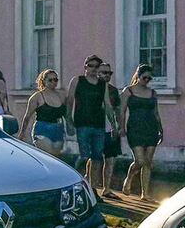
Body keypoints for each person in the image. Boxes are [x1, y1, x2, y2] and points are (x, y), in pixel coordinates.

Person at [121, 64, 163, 201]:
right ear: (138, 76)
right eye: (145, 77)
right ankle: (129, 178)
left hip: (151, 128)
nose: (147, 80)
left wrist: (161, 129)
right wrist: (121, 127)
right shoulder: (128, 91)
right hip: (135, 128)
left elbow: (156, 113)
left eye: (149, 78)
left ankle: (145, 194)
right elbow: (122, 111)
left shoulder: (152, 93)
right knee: (139, 160)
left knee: (148, 162)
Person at [67, 54, 107, 190]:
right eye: (91, 66)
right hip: (82, 123)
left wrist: (114, 124)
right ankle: (74, 178)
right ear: (85, 66)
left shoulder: (102, 84)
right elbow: (70, 101)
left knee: (97, 157)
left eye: (96, 66)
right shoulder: (78, 81)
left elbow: (107, 104)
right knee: (84, 156)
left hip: (99, 124)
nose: (93, 69)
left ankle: (93, 187)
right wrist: (69, 120)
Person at [19, 69, 66, 157]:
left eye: (55, 80)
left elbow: (66, 114)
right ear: (44, 81)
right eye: (50, 80)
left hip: (57, 128)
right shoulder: (37, 97)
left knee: (57, 157)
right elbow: (27, 116)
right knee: (49, 155)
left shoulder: (61, 96)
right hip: (42, 129)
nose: (53, 82)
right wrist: (22, 134)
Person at [98, 63, 122, 198]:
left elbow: (117, 109)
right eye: (103, 72)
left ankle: (106, 188)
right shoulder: (92, 89)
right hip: (96, 127)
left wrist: (118, 125)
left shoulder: (113, 90)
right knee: (95, 158)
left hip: (110, 127)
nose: (107, 75)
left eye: (109, 73)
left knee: (110, 158)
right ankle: (92, 184)